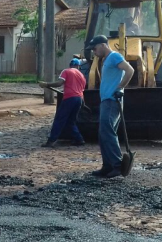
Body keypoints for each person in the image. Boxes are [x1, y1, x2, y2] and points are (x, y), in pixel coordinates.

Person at [88, 35, 135, 178]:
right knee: (103, 134)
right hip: (106, 101)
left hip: (111, 101)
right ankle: (107, 166)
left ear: (103, 45)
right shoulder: (107, 60)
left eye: (95, 49)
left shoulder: (114, 56)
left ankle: (116, 165)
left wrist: (120, 87)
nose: (94, 52)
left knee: (107, 131)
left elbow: (130, 70)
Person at [40, 58, 87, 148]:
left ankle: (51, 141)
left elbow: (59, 83)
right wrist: (83, 103)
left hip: (69, 98)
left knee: (59, 119)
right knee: (70, 121)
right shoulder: (82, 76)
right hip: (79, 99)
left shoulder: (66, 71)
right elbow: (81, 90)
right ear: (78, 66)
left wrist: (46, 84)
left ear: (70, 65)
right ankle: (79, 139)